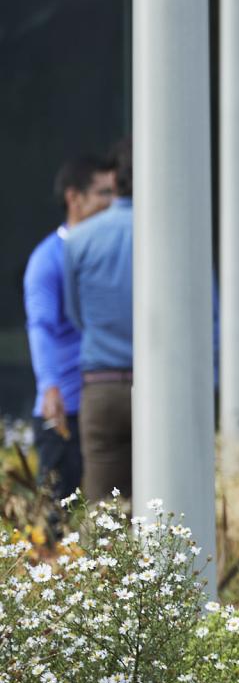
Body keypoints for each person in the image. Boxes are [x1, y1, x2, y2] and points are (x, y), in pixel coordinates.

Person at [24, 153, 114, 503]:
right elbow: (41, 326)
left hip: (105, 401)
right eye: (103, 194)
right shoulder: (47, 260)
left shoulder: (113, 248)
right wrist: (49, 386)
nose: (112, 202)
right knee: (53, 523)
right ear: (74, 198)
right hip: (66, 410)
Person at [62, 137, 137, 502]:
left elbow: (76, 316)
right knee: (169, 510)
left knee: (105, 513)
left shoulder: (79, 240)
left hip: (102, 385)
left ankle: (105, 562)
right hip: (161, 387)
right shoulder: (176, 233)